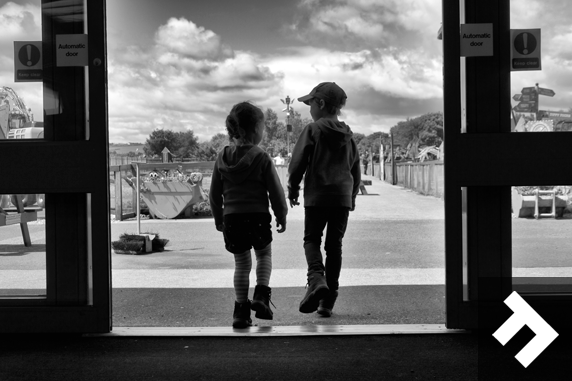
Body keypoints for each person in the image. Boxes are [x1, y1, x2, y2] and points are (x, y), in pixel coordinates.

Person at [210, 101, 288, 328]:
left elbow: (214, 195)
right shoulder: (261, 157)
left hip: (232, 219)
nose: (263, 132)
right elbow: (276, 191)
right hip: (258, 218)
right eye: (263, 127)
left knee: (241, 265)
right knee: (263, 256)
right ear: (254, 130)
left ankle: (241, 312)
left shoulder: (221, 158)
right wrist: (281, 215)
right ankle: (262, 296)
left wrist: (218, 218)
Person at [287, 82, 361, 317]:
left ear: (320, 103)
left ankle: (316, 279)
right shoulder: (348, 136)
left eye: (310, 104)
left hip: (317, 196)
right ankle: (327, 301)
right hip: (341, 199)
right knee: (334, 246)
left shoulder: (313, 130)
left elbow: (298, 162)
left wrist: (293, 187)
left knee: (311, 240)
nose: (309, 109)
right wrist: (351, 196)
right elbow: (355, 169)